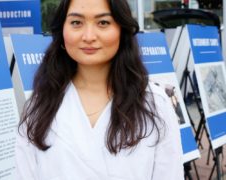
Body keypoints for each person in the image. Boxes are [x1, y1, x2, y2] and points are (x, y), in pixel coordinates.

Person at [16, 0, 184, 179]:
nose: (88, 36)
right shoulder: (39, 106)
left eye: (103, 22)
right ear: (62, 31)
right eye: (76, 23)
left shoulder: (155, 103)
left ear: (122, 29)